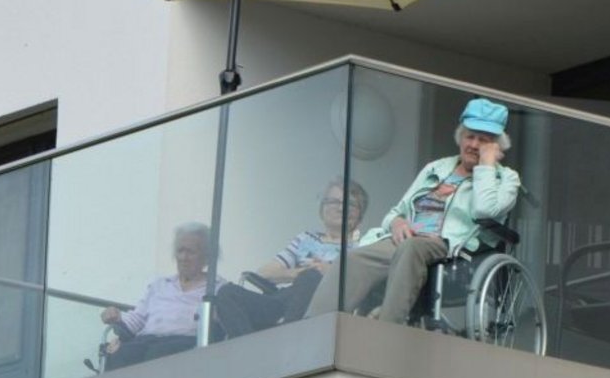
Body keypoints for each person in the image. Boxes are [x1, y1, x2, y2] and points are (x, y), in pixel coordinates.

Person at [307, 97, 520, 326]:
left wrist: (486, 166)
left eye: (484, 141)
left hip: (448, 246)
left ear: (496, 146)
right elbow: (396, 211)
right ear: (461, 138)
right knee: (355, 258)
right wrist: (397, 222)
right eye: (470, 136)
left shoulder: (506, 179)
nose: (474, 145)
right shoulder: (436, 168)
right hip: (406, 238)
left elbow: (485, 210)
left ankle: (387, 328)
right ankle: (316, 327)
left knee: (411, 248)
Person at [214, 178, 368, 338]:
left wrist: (328, 272)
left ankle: (285, 339)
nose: (341, 208)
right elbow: (265, 273)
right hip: (286, 300)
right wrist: (302, 272)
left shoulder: (363, 244)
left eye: (350, 204)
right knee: (227, 293)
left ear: (360, 214)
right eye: (334, 201)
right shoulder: (306, 239)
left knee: (311, 278)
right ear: (322, 208)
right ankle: (247, 350)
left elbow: (360, 282)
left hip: (325, 307)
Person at [101, 223, 223, 369]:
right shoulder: (160, 285)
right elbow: (137, 320)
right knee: (120, 354)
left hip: (186, 345)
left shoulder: (217, 287)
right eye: (180, 251)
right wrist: (117, 318)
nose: (184, 257)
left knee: (159, 354)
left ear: (207, 257)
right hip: (147, 341)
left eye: (191, 252)